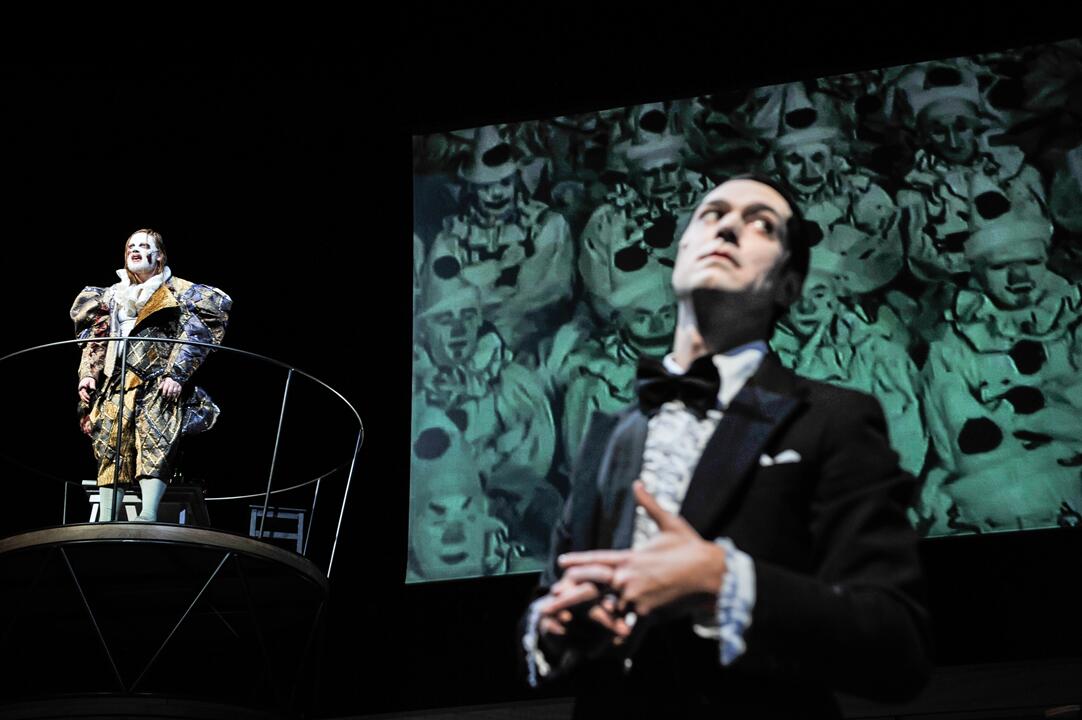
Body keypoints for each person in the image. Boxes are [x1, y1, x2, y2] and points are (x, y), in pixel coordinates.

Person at [520, 175, 930, 717]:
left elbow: (895, 650)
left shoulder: (833, 420)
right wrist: (556, 632)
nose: (729, 229)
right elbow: (553, 611)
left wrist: (725, 582)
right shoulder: (608, 432)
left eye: (760, 225)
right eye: (711, 216)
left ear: (788, 286)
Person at [72, 229, 232, 522]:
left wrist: (177, 374)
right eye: (131, 246)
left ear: (159, 256)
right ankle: (107, 518)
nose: (135, 250)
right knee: (110, 444)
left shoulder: (180, 291)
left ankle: (148, 514)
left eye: (144, 246)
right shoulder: (112, 294)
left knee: (156, 441)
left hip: (158, 380)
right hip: (117, 380)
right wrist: (89, 374)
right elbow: (98, 337)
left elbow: (195, 334)